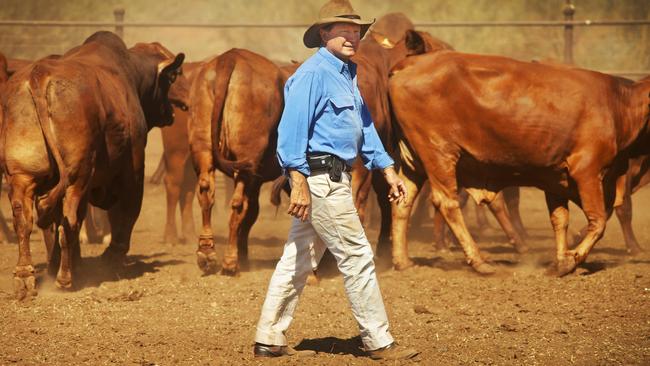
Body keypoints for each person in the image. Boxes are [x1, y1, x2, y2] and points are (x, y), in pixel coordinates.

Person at [253, 0, 419, 361]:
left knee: (297, 259)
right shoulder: (312, 75)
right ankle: (379, 341)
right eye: (343, 29)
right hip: (321, 180)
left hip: (332, 177)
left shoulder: (347, 75)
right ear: (323, 34)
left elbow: (365, 128)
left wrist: (388, 170)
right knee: (358, 255)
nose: (352, 36)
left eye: (356, 30)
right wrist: (297, 180)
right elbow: (290, 131)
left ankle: (269, 338)